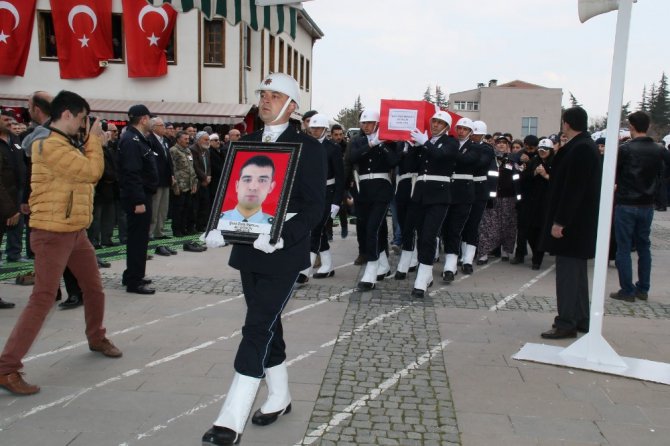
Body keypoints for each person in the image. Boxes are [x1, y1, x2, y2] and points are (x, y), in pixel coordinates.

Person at [201, 72, 326, 446]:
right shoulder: (248, 142)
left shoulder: (309, 147)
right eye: (263, 94)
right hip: (247, 249)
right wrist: (218, 227)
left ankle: (231, 418)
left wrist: (283, 236)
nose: (266, 100)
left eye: (274, 95)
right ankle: (280, 396)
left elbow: (315, 207)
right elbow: (232, 192)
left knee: (256, 326)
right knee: (268, 323)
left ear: (292, 106)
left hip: (283, 252)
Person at [0, 90, 122, 396]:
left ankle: (96, 337)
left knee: (93, 288)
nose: (84, 125)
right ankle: (7, 367)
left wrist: (90, 142)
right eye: (82, 119)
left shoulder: (63, 142)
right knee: (42, 299)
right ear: (67, 114)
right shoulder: (49, 144)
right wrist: (95, 141)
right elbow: (92, 172)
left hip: (74, 231)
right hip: (52, 233)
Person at [539, 106, 601, 339]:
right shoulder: (582, 146)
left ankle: (566, 322)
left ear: (566, 123)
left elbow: (573, 190)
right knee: (577, 275)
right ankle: (581, 318)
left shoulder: (581, 149)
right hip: (578, 224)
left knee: (568, 275)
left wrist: (560, 222)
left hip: (573, 226)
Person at [610, 111, 670, 302]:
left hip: (627, 202)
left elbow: (614, 173)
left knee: (624, 247)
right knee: (644, 246)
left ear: (632, 126)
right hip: (646, 204)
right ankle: (643, 288)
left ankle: (627, 290)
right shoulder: (660, 149)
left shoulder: (626, 149)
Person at [405, 111, 459, 297]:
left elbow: (440, 156)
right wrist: (411, 147)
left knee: (429, 235)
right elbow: (410, 167)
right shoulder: (423, 142)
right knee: (420, 235)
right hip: (420, 194)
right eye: (433, 121)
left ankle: (422, 277)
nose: (435, 124)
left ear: (447, 126)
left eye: (440, 122)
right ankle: (426, 273)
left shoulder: (451, 142)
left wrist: (424, 143)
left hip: (439, 195)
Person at [349, 110, 399, 290]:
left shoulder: (388, 143)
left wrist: (382, 144)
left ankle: (371, 269)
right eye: (364, 123)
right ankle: (383, 265)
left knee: (372, 228)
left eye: (370, 123)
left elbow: (393, 161)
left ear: (378, 124)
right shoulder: (359, 141)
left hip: (381, 190)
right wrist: (371, 144)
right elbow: (352, 157)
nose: (366, 126)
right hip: (363, 191)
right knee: (368, 228)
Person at [118, 104, 158, 295]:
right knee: (137, 240)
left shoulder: (139, 138)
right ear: (143, 119)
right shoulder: (132, 140)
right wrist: (138, 201)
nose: (152, 121)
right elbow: (131, 173)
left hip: (143, 194)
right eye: (150, 118)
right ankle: (134, 281)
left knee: (139, 239)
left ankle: (133, 274)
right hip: (138, 197)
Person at [305, 114, 344, 280]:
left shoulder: (333, 148)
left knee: (316, 228)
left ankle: (304, 269)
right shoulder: (306, 146)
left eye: (318, 128)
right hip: (311, 194)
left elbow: (341, 176)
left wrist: (337, 201)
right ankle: (327, 265)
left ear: (325, 129)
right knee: (319, 231)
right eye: (312, 128)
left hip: (328, 193)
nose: (314, 131)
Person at [440, 118, 479, 283]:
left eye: (465, 129)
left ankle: (451, 264)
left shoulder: (475, 147)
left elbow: (467, 160)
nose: (461, 131)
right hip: (447, 191)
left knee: (456, 229)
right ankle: (450, 259)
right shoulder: (451, 143)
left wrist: (449, 149)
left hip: (464, 194)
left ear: (470, 132)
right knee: (446, 229)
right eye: (459, 128)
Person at [459, 120, 497, 274]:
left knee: (473, 224)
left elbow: (479, 164)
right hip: (464, 188)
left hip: (479, 189)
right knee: (462, 223)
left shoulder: (486, 149)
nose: (473, 136)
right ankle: (462, 255)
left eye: (475, 134)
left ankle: (468, 259)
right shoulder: (464, 146)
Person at [0, 109, 20, 308]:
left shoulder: (13, 142)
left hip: (9, 202)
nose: (8, 120)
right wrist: (10, 210)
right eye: (3, 116)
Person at [218, 155, 276, 225]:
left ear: (270, 187)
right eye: (247, 180)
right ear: (237, 186)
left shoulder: (275, 225)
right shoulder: (218, 220)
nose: (252, 187)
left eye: (262, 180)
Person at [147, 117, 175, 243]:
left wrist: (172, 175)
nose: (164, 128)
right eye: (162, 125)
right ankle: (150, 232)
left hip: (166, 179)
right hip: (156, 180)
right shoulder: (149, 140)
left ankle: (160, 231)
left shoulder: (165, 141)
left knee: (163, 208)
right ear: (154, 127)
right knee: (154, 207)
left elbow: (169, 160)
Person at [170, 131, 198, 237]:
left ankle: (183, 228)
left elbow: (192, 168)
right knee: (178, 209)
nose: (188, 141)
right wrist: (175, 185)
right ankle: (176, 230)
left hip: (189, 184)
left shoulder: (188, 151)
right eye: (185, 139)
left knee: (187, 208)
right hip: (179, 185)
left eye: (188, 139)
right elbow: (172, 169)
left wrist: (194, 183)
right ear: (178, 139)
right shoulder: (174, 151)